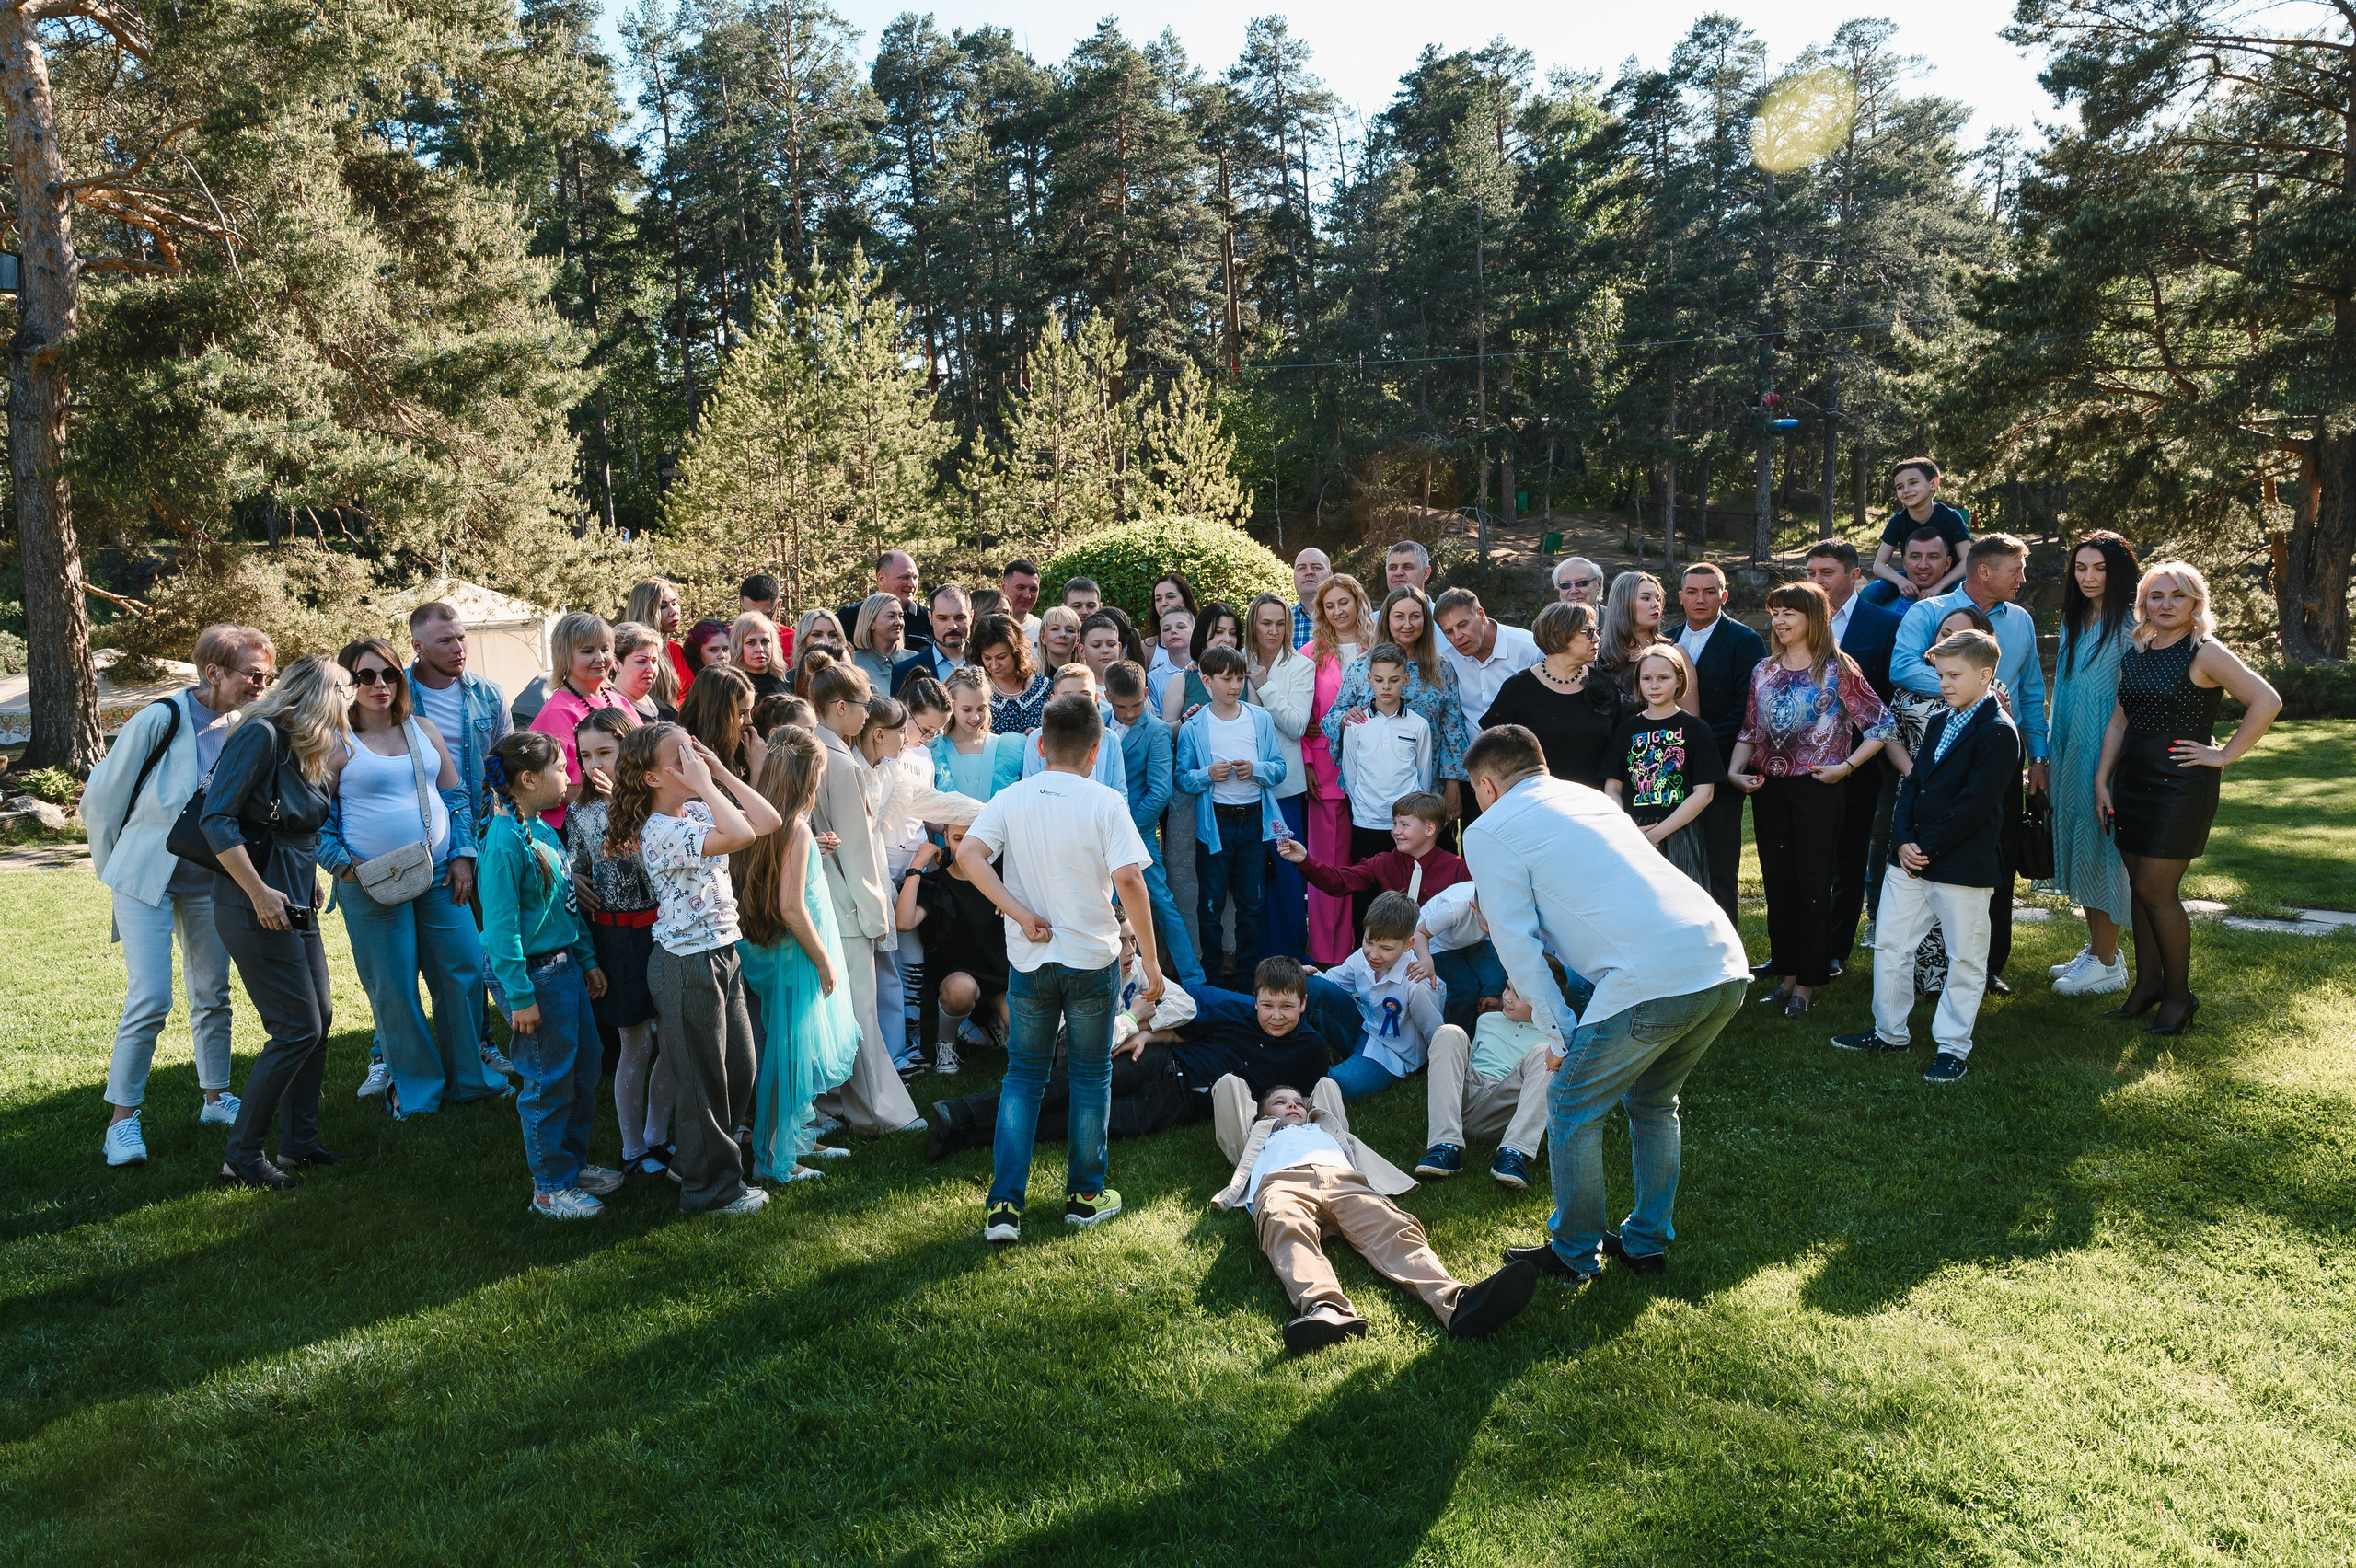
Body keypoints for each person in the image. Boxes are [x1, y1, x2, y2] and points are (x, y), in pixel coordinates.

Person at [1463, 725, 1750, 1285]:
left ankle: (1573, 1253)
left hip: (1651, 977)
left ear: (1487, 785)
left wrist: (1558, 1033)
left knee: (1570, 1104)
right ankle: (1645, 1244)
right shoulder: (1590, 798)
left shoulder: (1489, 828)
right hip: (1723, 960)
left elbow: (1515, 942)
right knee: (1653, 1101)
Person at [959, 692, 1163, 1243]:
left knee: (1022, 1077)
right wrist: (1150, 961)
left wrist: (1019, 912)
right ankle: (1085, 1196)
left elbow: (968, 856)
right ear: (1096, 750)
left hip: (1030, 958)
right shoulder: (1104, 802)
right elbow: (1130, 882)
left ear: (1041, 744)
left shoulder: (1011, 798)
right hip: (1091, 958)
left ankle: (1004, 1206)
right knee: (1092, 1075)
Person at [84, 624, 271, 1166]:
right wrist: (115, 868)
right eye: (252, 675)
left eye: (267, 675)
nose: (262, 685)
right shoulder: (160, 718)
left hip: (210, 880)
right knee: (151, 998)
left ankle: (216, 1097)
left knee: (213, 992)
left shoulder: (246, 725)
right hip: (145, 878)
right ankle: (122, 1121)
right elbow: (100, 801)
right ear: (213, 673)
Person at [1210, 1077, 1538, 1354]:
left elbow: (1326, 1088)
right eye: (1280, 1103)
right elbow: (1229, 1089)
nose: (1292, 1106)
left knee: (1393, 1228)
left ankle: (1459, 1302)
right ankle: (1327, 1310)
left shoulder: (1327, 1129)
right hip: (1283, 1185)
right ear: (1261, 1114)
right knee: (1286, 1228)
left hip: (1345, 1182)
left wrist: (1311, 1107)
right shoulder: (1256, 1137)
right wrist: (1262, 1116)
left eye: (1298, 1101)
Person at [2095, 561, 2281, 1035]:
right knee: (2138, 887)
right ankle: (2147, 986)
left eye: (2177, 596)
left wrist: (2226, 756)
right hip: (2132, 783)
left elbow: (2267, 700)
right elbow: (2119, 722)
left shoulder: (2205, 652)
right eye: (2156, 597)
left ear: (2195, 601)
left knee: (2157, 890)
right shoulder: (2135, 650)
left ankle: (2178, 998)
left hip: (2180, 786)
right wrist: (2102, 779)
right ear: (2143, 604)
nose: (2165, 605)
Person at [606, 721, 782, 1215]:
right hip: (686, 965)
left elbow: (767, 820)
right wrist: (708, 783)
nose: (693, 761)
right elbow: (744, 835)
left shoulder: (699, 808)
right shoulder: (662, 829)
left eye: (693, 751)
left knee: (739, 1068)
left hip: (723, 952)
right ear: (653, 779)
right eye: (680, 756)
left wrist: (721, 772)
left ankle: (693, 1159)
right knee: (706, 1081)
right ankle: (711, 1191)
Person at [1831, 628, 2019, 1081]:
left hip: (1961, 865)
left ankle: (1953, 1047)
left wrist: (1927, 847)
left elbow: (1974, 804)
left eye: (1954, 675)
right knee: (1892, 945)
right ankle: (1888, 1030)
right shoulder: (1938, 721)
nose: (1944, 684)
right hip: (1909, 859)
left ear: (1986, 675)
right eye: (1941, 675)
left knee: (1965, 957)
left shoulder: (1999, 732)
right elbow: (1911, 784)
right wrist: (1901, 841)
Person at [202, 655, 360, 1190]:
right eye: (346, 691)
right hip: (254, 904)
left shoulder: (305, 751)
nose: (353, 701)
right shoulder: (262, 736)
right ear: (319, 696)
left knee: (319, 1022)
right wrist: (260, 890)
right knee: (295, 1028)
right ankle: (241, 1157)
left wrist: (303, 874)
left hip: (294, 898)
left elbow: (292, 827)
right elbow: (216, 819)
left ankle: (299, 1144)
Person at [319, 636, 492, 1120]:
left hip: (440, 876)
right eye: (365, 676)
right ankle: (416, 1088)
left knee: (462, 969)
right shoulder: (334, 740)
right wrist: (344, 866)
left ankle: (470, 1079)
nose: (379, 685)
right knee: (394, 988)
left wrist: (461, 855)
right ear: (347, 684)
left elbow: (457, 798)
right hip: (372, 884)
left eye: (389, 674)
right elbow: (315, 819)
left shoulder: (423, 729)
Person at [1889, 533, 2049, 994]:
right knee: (1934, 864)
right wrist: (1969, 688)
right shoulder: (1929, 612)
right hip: (1934, 757)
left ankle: (1989, 964)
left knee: (1995, 856)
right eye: (2015, 569)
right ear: (1985, 571)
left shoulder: (2019, 621)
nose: (2022, 578)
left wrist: (2037, 753)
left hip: (1999, 754)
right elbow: (1901, 667)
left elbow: (2033, 689)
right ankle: (1926, 969)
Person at [1727, 582, 1892, 1017]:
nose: (1779, 621)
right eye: (1775, 612)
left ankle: (1808, 983)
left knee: (1814, 883)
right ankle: (1785, 974)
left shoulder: (1838, 668)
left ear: (1814, 618)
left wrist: (1846, 767)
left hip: (1818, 788)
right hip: (1769, 790)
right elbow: (1749, 730)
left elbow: (1880, 725)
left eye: (1789, 613)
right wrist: (1733, 771)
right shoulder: (1763, 670)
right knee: (1778, 882)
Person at [476, 730, 619, 1217]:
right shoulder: (504, 841)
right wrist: (519, 997)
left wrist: (587, 961)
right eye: (561, 767)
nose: (570, 774)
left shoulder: (540, 829)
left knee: (583, 1066)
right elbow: (499, 930)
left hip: (564, 971)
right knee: (546, 1078)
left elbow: (564, 906)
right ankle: (550, 1187)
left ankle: (571, 1166)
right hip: (532, 976)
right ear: (529, 779)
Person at [803, 653, 928, 1135]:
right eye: (861, 704)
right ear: (839, 707)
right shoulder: (842, 765)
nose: (867, 712)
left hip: (820, 896)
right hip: (848, 903)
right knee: (860, 1012)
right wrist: (879, 916)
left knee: (835, 1011)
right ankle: (878, 1111)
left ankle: (834, 1103)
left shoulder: (813, 749)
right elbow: (857, 851)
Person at [738, 726, 863, 1182]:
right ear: (809, 776)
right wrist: (824, 960)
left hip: (769, 948)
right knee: (789, 1053)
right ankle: (775, 1158)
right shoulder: (794, 829)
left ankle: (796, 1137)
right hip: (796, 952)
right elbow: (791, 905)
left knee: (790, 1045)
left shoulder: (760, 816)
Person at [564, 709, 674, 1177]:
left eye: (605, 753)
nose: (595, 766)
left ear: (629, 752)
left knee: (671, 1039)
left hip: (663, 931)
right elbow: (576, 862)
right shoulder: (580, 810)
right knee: (634, 1042)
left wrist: (627, 813)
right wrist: (574, 878)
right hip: (614, 935)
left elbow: (661, 863)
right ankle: (632, 1148)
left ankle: (657, 1134)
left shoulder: (659, 806)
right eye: (585, 755)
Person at [1802, 541, 1906, 969]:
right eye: (1810, 572)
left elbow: (1891, 692)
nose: (1816, 581)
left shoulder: (1883, 624)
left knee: (1848, 859)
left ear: (1854, 574)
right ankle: (1796, 949)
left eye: (1826, 573)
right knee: (1804, 860)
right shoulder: (1795, 621)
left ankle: (1833, 951)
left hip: (1861, 761)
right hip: (1801, 762)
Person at [2046, 530, 2141, 997]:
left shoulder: (2133, 626)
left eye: (2099, 568)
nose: (2088, 577)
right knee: (2079, 844)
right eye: (2081, 568)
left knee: (2102, 852)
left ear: (2118, 572)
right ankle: (2100, 949)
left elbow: (2133, 702)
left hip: (2104, 752)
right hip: (2068, 747)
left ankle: (2107, 963)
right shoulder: (2075, 618)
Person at [1175, 646, 1288, 987]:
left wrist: (1256, 769)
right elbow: (1182, 778)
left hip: (1253, 821)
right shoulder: (1195, 725)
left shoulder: (1259, 718)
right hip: (1215, 826)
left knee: (1251, 903)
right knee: (1209, 904)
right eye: (1226, 679)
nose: (1235, 685)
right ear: (1207, 681)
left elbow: (1279, 769)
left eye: (1239, 678)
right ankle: (1210, 978)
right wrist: (1208, 773)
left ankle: (1247, 979)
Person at [1322, 588, 1472, 824]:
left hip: (1427, 790)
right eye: (1399, 616)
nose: (1407, 624)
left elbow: (1452, 730)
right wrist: (1344, 718)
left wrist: (1452, 787)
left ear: (1425, 619)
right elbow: (1332, 717)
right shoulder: (1362, 668)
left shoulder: (1441, 669)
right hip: (1372, 796)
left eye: (1415, 616)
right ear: (1386, 620)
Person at [1674, 562, 1769, 924]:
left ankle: (1729, 958)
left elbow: (1747, 708)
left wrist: (1695, 746)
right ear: (1681, 597)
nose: (1701, 599)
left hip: (1720, 769)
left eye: (1710, 592)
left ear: (1723, 596)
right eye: (1693, 592)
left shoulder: (1744, 641)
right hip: (1672, 773)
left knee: (1720, 870)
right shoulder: (1667, 639)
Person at [1105, 659, 1206, 988]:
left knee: (1160, 902)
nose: (1131, 713)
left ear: (1146, 694)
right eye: (1122, 707)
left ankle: (1194, 980)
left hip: (1139, 833)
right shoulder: (1098, 726)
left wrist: (1125, 828)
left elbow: (1160, 792)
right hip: (1098, 833)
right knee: (1109, 907)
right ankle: (1117, 983)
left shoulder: (1158, 731)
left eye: (1136, 704)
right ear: (1107, 697)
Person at [1478, 601, 1641, 789]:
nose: (1597, 638)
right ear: (1561, 635)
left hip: (1595, 805)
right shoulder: (1518, 688)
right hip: (1539, 805)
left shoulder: (1604, 685)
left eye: (1596, 631)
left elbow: (1620, 751)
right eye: (1588, 631)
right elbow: (1484, 748)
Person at [1276, 789, 1467, 944]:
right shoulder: (1384, 862)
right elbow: (1340, 881)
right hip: (1391, 952)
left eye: (1404, 825)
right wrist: (1304, 859)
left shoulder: (1457, 869)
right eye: (1394, 824)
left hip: (1443, 951)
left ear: (1430, 829)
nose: (1395, 832)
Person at [1604, 644, 1723, 890]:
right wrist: (1631, 831)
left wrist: (1656, 835)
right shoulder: (1627, 730)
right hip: (1634, 830)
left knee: (1685, 902)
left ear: (1679, 680)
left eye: (1663, 678)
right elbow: (1612, 787)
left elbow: (1704, 793)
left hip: (1680, 829)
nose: (1654, 685)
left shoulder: (1697, 729)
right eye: (1647, 678)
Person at [1415, 983, 1555, 1190]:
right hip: (1469, 1092)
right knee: (1449, 1032)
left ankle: (1514, 1153)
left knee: (1547, 1053)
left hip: (1508, 1103)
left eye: (1519, 995)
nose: (1507, 998)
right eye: (1507, 988)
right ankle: (1444, 1146)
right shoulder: (1487, 1020)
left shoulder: (1556, 1037)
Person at [897, 822, 1010, 1078]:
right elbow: (903, 923)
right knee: (961, 990)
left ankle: (991, 1024)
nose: (966, 848)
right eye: (959, 839)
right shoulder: (938, 883)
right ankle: (945, 1043)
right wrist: (918, 864)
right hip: (957, 976)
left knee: (1023, 1027)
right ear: (945, 837)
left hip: (1000, 975)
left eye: (975, 838)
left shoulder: (1004, 876)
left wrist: (1012, 901)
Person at [1303, 573, 1376, 963]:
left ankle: (1368, 951)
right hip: (1327, 771)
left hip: (1377, 773)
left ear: (1358, 602)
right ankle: (1328, 955)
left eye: (1343, 602)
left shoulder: (1380, 647)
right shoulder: (1309, 655)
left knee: (1369, 863)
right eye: (1329, 605)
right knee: (1329, 865)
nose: (1337, 611)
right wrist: (1309, 763)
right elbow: (1305, 718)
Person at [1321, 892, 1447, 1100]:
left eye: (1386, 948)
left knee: (1341, 1085)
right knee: (1311, 986)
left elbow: (1436, 1034)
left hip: (1392, 1053)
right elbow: (1329, 982)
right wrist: (1306, 975)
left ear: (1408, 944)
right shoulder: (1363, 958)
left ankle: (1312, 1075)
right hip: (1364, 1026)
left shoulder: (1417, 984)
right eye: (1369, 941)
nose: (1374, 954)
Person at [1245, 592, 1314, 958]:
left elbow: (1296, 725)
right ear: (1253, 625)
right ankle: (1253, 960)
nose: (1273, 631)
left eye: (1280, 623)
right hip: (1239, 787)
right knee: (1248, 880)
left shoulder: (1301, 666)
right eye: (1265, 622)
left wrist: (1264, 685)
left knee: (1286, 874)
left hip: (1284, 788)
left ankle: (1290, 956)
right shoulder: (1238, 660)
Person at [528, 611, 639, 833]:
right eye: (588, 651)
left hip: (628, 817)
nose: (600, 658)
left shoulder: (618, 700)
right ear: (565, 657)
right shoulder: (556, 712)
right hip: (579, 830)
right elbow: (554, 789)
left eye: (605, 649)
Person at [1335, 644, 1437, 876]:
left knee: (1405, 889)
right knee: (1366, 887)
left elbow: (1423, 776)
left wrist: (1413, 816)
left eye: (1393, 679)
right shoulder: (1355, 724)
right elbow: (1351, 772)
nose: (1386, 687)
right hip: (1366, 821)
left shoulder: (1419, 725)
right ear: (1370, 678)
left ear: (1406, 679)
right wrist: (1363, 807)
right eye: (1379, 680)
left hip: (1407, 825)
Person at [1862, 457, 1972, 607]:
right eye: (1900, 487)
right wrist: (1901, 581)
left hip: (1949, 578)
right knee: (1870, 593)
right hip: (1911, 577)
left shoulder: (1950, 517)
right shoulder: (1898, 521)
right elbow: (1879, 565)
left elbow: (1968, 561)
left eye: (1913, 483)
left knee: (1970, 598)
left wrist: (1938, 586)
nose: (1906, 490)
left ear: (1933, 484)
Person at [1435, 587, 1541, 729]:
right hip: (1472, 749)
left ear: (1481, 615)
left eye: (1463, 625)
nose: (1457, 636)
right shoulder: (1448, 658)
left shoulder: (1530, 650)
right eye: (1449, 631)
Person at [1022, 664, 1127, 792]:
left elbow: (1120, 792)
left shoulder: (1110, 739)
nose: (1077, 703)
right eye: (1068, 696)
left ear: (1096, 699)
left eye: (1085, 695)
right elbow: (1031, 788)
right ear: (1053, 699)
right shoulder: (1037, 738)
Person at [930, 665, 1023, 801]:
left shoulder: (1004, 749)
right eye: (967, 710)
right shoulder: (936, 748)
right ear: (950, 705)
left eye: (981, 709)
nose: (975, 717)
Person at [679, 663, 762, 784]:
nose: (749, 721)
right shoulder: (689, 758)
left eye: (750, 711)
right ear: (716, 714)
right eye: (741, 714)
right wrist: (757, 769)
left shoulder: (737, 748)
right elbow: (743, 803)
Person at [837, 549, 931, 655]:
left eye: (915, 578)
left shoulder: (929, 618)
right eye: (905, 577)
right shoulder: (850, 615)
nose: (912, 584)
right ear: (881, 579)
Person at [972, 612, 1050, 734]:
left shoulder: (1045, 688)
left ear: (1017, 653)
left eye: (1001, 657)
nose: (994, 665)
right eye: (987, 658)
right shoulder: (974, 690)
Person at [1595, 570, 1671, 695]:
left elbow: (1688, 714)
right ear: (1623, 603)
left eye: (1658, 598)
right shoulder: (1596, 656)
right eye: (1646, 598)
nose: (1656, 604)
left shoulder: (1674, 653)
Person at [894, 583, 973, 696]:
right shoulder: (906, 671)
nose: (952, 626)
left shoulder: (990, 663)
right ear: (930, 618)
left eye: (960, 618)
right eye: (943, 618)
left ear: (971, 616)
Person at [626, 577, 695, 697]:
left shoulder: (675, 649)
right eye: (662, 607)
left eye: (674, 603)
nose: (673, 611)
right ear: (645, 611)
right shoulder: (633, 655)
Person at [850, 593, 924, 694]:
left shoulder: (915, 660)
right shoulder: (853, 663)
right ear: (871, 623)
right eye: (891, 616)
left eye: (901, 616)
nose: (899, 622)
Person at [612, 622, 680, 723]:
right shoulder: (605, 708)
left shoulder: (669, 712)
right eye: (641, 661)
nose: (650, 669)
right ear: (616, 664)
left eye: (654, 661)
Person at [729, 611, 790, 701]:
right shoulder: (732, 689)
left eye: (765, 641)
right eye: (751, 643)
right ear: (738, 646)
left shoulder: (785, 686)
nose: (760, 649)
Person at [1290, 548, 1332, 647]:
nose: (1309, 572)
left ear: (1330, 576)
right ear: (1294, 577)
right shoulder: (1282, 621)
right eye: (1301, 568)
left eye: (1316, 567)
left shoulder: (1345, 618)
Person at [1001, 559, 1044, 648]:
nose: (1027, 595)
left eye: (1033, 589)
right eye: (1021, 588)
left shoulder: (1041, 629)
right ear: (1004, 586)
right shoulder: (989, 627)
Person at [1037, 605, 1083, 674]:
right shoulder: (1030, 680)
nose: (1063, 634)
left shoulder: (1087, 679)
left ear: (1077, 639)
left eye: (1070, 630)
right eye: (1055, 629)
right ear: (1043, 637)